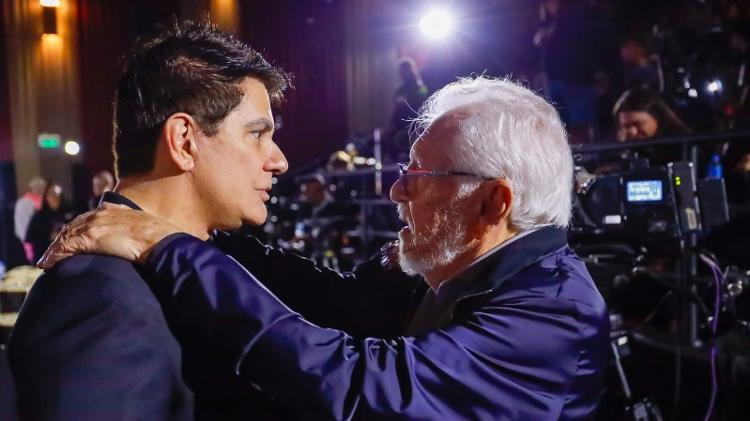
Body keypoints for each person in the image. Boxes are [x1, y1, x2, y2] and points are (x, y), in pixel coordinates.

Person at [42, 76, 610, 420]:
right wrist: (184, 232)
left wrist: (169, 247)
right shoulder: (462, 272)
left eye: (420, 174)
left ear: (493, 202)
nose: (396, 190)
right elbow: (341, 303)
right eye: (258, 133)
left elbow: (362, 388)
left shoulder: (554, 312)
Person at [9, 19, 291, 420]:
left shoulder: (191, 267)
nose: (278, 160)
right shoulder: (103, 294)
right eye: (257, 134)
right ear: (184, 142)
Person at [25, 182, 72, 263]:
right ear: (46, 197)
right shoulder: (38, 216)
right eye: (51, 194)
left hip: (66, 257)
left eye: (57, 194)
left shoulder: (68, 213)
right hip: (44, 258)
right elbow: (30, 238)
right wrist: (49, 236)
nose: (55, 197)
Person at [13, 176, 46, 262]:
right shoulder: (25, 202)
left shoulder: (38, 200)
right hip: (30, 236)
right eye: (41, 188)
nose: (43, 191)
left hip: (33, 236)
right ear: (35, 188)